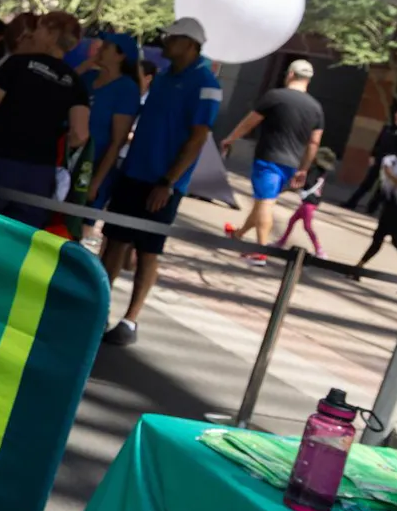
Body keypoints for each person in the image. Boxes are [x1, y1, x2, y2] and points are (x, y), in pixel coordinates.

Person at [100, 18, 222, 346]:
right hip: (135, 171)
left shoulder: (206, 83)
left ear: (191, 43)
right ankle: (100, 309)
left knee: (148, 249)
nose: (166, 41)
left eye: (174, 37)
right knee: (113, 241)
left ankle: (130, 319)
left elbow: (198, 137)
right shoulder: (165, 77)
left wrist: (168, 181)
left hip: (163, 181)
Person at [0, 11, 90, 227]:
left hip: (0, 162)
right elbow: (80, 134)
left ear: (51, 34)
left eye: (40, 28)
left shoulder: (18, 64)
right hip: (39, 172)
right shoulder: (74, 81)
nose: (34, 33)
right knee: (21, 240)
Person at [222, 59, 325, 266]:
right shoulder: (316, 108)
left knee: (266, 203)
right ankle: (239, 234)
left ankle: (260, 252)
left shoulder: (275, 97)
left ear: (290, 74)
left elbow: (249, 122)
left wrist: (230, 139)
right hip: (292, 165)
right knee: (263, 202)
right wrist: (304, 169)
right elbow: (314, 143)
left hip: (268, 159)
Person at [83, 33, 142, 208]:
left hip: (93, 164)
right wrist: (88, 63)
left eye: (106, 47)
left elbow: (118, 141)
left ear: (120, 56)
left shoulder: (126, 89)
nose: (100, 49)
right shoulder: (89, 77)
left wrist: (96, 182)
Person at [275, 146, 338, 258]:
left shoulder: (313, 171)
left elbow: (303, 184)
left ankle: (319, 250)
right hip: (311, 203)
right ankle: (281, 241)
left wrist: (283, 190)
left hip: (308, 204)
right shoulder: (322, 172)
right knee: (292, 220)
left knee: (307, 227)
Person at [343, 104, 397, 212]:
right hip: (379, 160)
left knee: (382, 189)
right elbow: (377, 143)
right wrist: (373, 155)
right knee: (367, 183)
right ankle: (351, 203)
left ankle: (371, 208)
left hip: (391, 165)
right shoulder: (387, 129)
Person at [353, 152, 397, 278]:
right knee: (378, 239)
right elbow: (387, 171)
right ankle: (358, 268)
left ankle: (358, 268)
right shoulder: (392, 160)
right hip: (391, 207)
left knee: (394, 240)